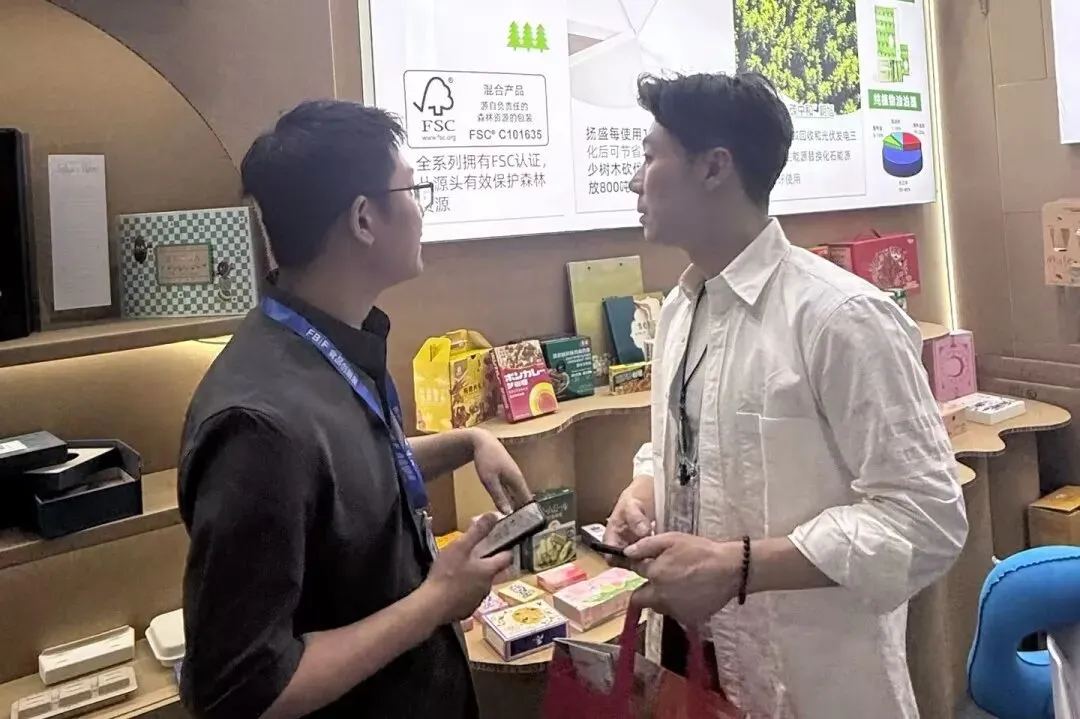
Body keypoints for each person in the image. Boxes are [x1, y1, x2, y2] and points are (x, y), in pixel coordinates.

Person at [603, 72, 968, 718]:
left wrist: (739, 566)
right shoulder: (680, 309)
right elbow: (691, 443)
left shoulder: (840, 316)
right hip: (693, 670)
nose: (635, 180)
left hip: (812, 686)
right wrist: (645, 491)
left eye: (650, 156)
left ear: (714, 167)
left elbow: (928, 517)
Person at [177, 100, 532, 719]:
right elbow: (245, 689)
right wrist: (437, 600)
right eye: (412, 190)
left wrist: (467, 442)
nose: (421, 209)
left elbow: (345, 476)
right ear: (365, 219)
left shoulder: (334, 342)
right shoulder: (257, 426)